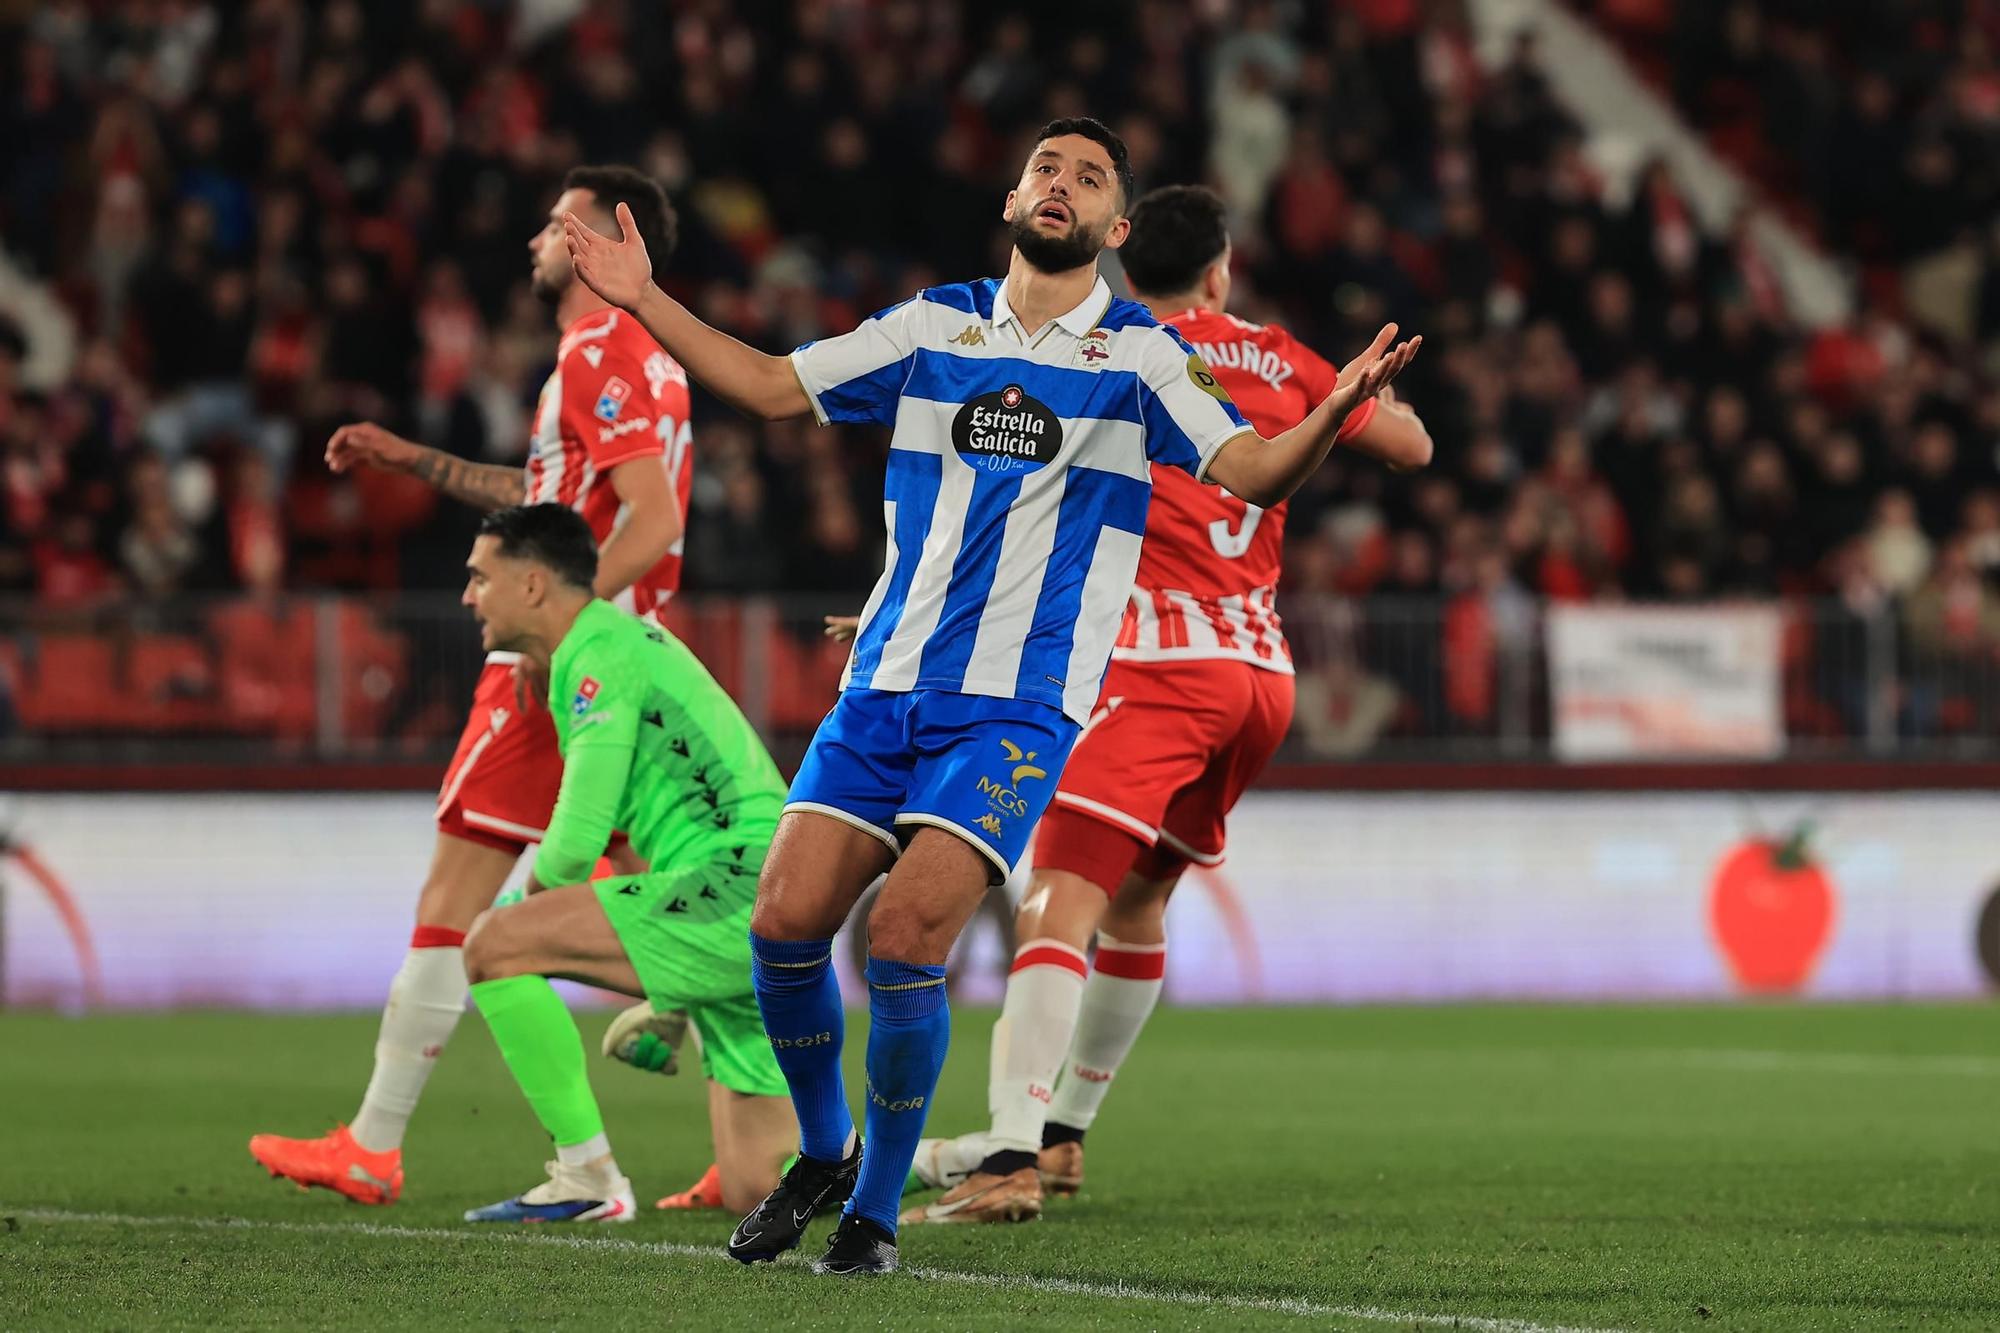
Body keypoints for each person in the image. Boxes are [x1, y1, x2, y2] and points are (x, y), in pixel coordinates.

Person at [562, 116, 1419, 1274]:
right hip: (884, 684)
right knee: (781, 920)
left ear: (1116, 228)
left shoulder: (1140, 356)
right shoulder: (932, 324)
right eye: (1045, 169)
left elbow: (1251, 473)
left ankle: (868, 1210)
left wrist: (1327, 411)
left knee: (910, 934)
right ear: (1011, 200)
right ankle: (823, 1150)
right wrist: (641, 299)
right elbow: (769, 387)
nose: (1059, 185)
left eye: (1088, 178)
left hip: (1017, 706)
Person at [900, 184, 1433, 1223]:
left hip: (1150, 664)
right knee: (1138, 903)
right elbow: (1409, 448)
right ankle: (1060, 1142)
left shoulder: (1113, 348)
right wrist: (1347, 394)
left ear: (1115, 259)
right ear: (1222, 269)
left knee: (1057, 894)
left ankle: (1006, 1159)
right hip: (1256, 675)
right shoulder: (1282, 357)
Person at [249, 166, 694, 1206]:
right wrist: (410, 458)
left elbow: (653, 521)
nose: (537, 239)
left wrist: (558, 632)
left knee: (454, 906)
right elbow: (552, 496)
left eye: (554, 225)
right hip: (611, 662)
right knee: (680, 908)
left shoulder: (602, 356)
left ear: (594, 244)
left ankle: (377, 1143)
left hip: (556, 671)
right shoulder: (631, 360)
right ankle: (753, 1139)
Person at [448, 503, 793, 1222]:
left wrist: (523, 916)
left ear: (534, 584)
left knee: (491, 943)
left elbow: (574, 844)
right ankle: (963, 1159)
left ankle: (586, 1174)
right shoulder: (610, 645)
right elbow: (637, 845)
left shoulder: (597, 657)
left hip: (734, 885)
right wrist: (669, 994)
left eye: (481, 577)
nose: (468, 595)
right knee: (761, 1185)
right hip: (759, 890)